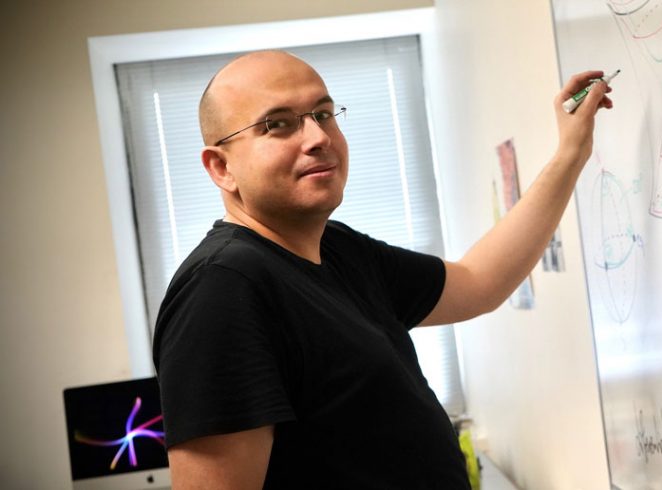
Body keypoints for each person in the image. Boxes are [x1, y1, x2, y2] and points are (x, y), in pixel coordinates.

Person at [153, 50, 612, 489]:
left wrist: (570, 153)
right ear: (220, 167)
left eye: (324, 113)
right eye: (278, 125)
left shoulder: (337, 249)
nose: (318, 137)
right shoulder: (222, 288)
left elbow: (477, 284)